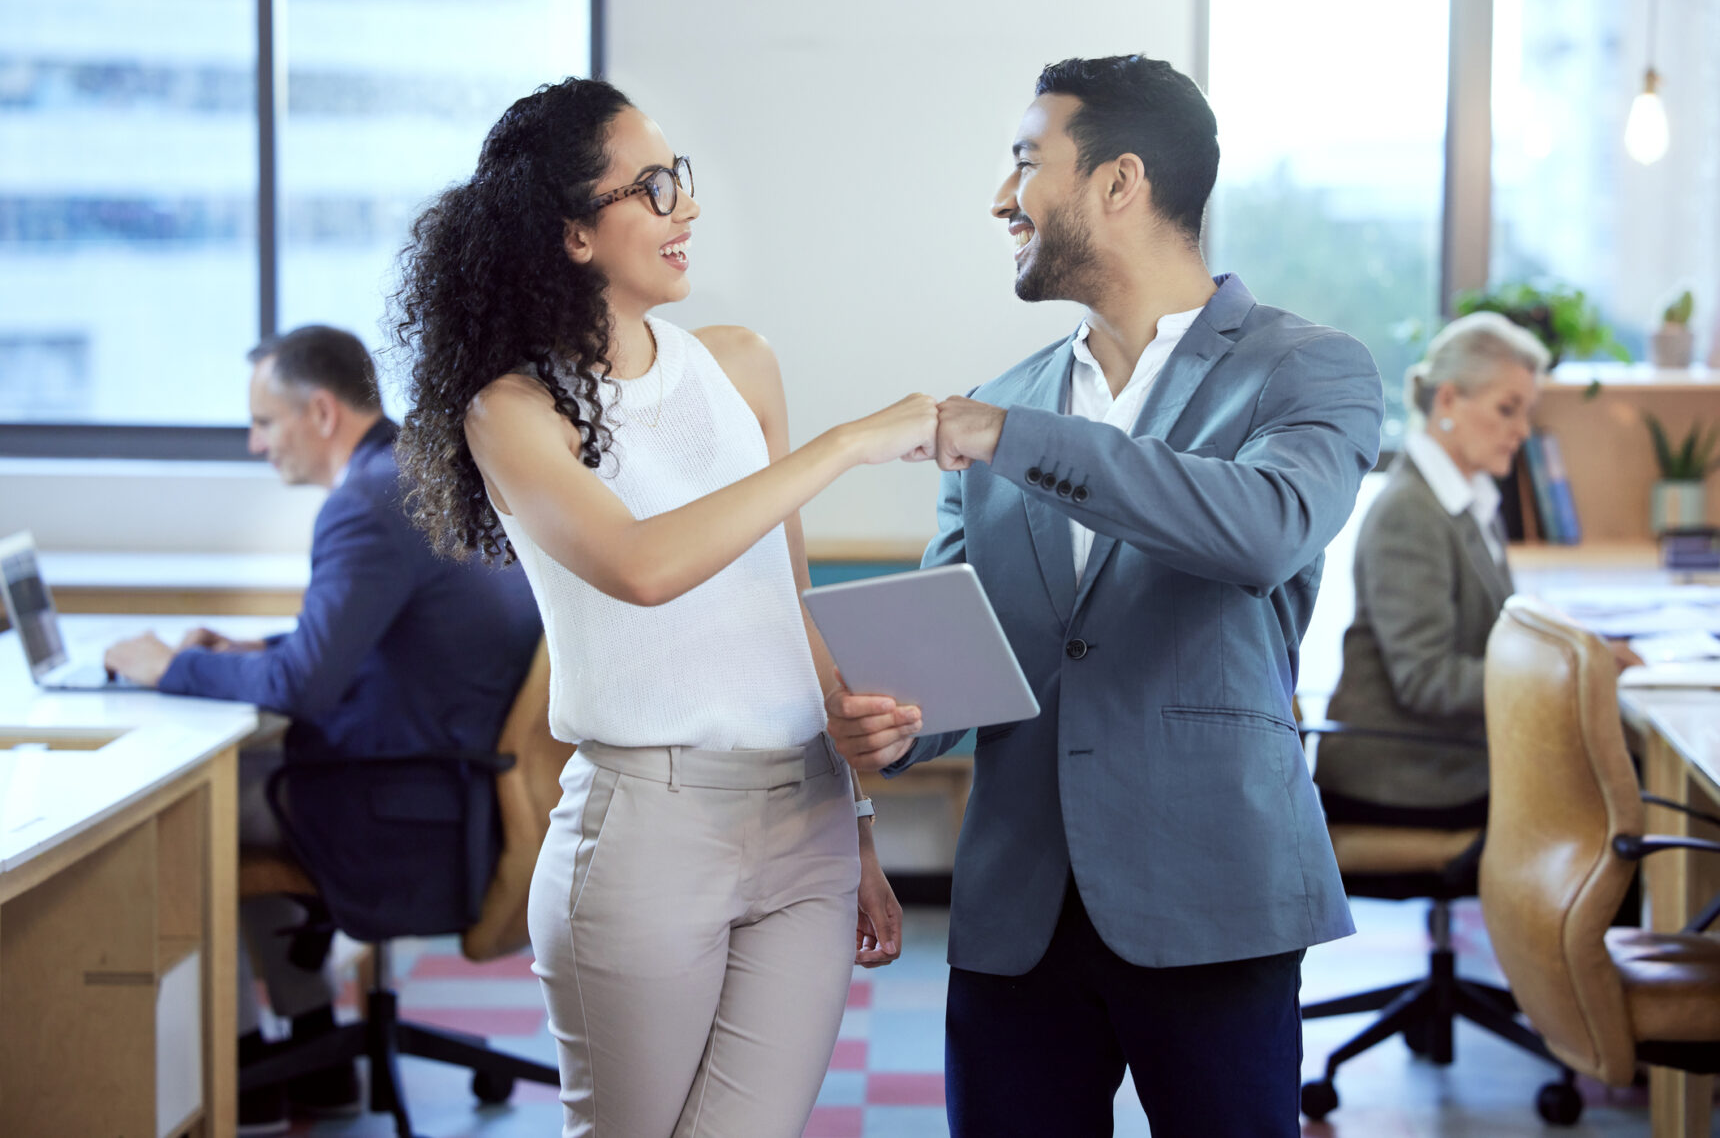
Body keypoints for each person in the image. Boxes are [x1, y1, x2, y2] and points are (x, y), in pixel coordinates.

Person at [828, 55, 1384, 1137]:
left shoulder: (1308, 371)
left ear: (1120, 182)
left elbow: (1260, 528)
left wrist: (1009, 440)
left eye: (1027, 164)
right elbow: (967, 651)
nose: (1001, 198)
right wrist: (899, 724)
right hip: (1015, 908)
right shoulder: (1001, 402)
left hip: (1213, 892)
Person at [390, 77, 927, 1138]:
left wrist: (859, 820)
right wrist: (849, 443)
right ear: (573, 233)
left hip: (805, 820)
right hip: (646, 830)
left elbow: (790, 594)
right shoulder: (512, 409)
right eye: (650, 186)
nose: (685, 206)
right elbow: (640, 565)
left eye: (677, 178)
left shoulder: (738, 363)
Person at [104, 325, 543, 1136]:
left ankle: (248, 1064)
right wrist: (250, 649)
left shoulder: (367, 504)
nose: (254, 443)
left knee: (187, 810)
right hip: (462, 789)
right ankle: (314, 1046)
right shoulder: (426, 473)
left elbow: (305, 689)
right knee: (245, 783)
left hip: (410, 812)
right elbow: (372, 645)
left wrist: (170, 666)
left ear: (320, 411)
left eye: (265, 423)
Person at [1313, 313, 1550, 829]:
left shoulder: (1467, 501)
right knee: (1603, 814)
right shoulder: (1411, 512)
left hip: (1445, 761)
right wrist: (1554, 676)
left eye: (1526, 412)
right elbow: (1426, 680)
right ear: (1447, 402)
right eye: (1507, 409)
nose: (1523, 431)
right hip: (1402, 777)